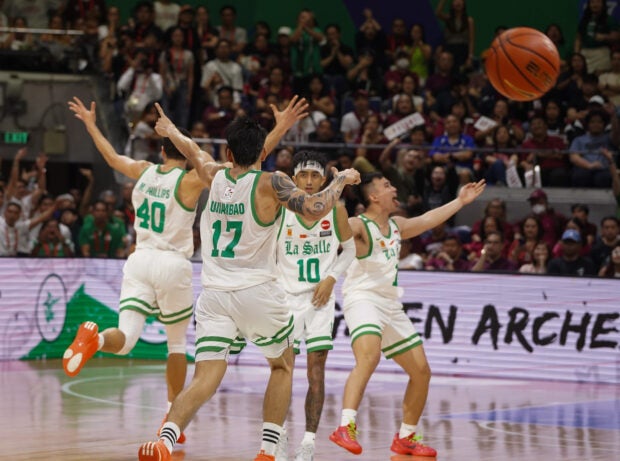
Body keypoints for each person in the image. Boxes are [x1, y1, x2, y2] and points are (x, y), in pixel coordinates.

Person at [138, 101, 360, 461]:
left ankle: (164, 440)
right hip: (257, 292)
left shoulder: (214, 173)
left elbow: (192, 149)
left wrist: (170, 131)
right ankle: (268, 450)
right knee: (282, 364)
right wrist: (341, 181)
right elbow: (316, 208)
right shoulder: (273, 183)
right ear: (264, 153)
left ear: (228, 152)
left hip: (213, 294)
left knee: (205, 376)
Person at [329, 172, 485, 457]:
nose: (395, 188)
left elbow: (427, 220)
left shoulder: (397, 225)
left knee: (422, 372)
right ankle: (345, 426)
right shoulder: (359, 225)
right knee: (368, 357)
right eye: (387, 186)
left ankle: (406, 437)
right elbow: (340, 229)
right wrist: (338, 190)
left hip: (390, 303)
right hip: (362, 298)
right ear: (373, 197)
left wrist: (460, 202)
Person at [275, 151, 356, 461]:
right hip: (285, 299)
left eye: (315, 176)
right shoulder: (281, 210)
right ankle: (279, 436)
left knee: (316, 371)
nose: (309, 182)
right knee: (282, 371)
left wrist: (332, 277)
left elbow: (348, 250)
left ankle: (308, 443)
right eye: (303, 176)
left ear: (324, 179)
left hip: (320, 300)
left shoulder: (335, 211)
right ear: (294, 179)